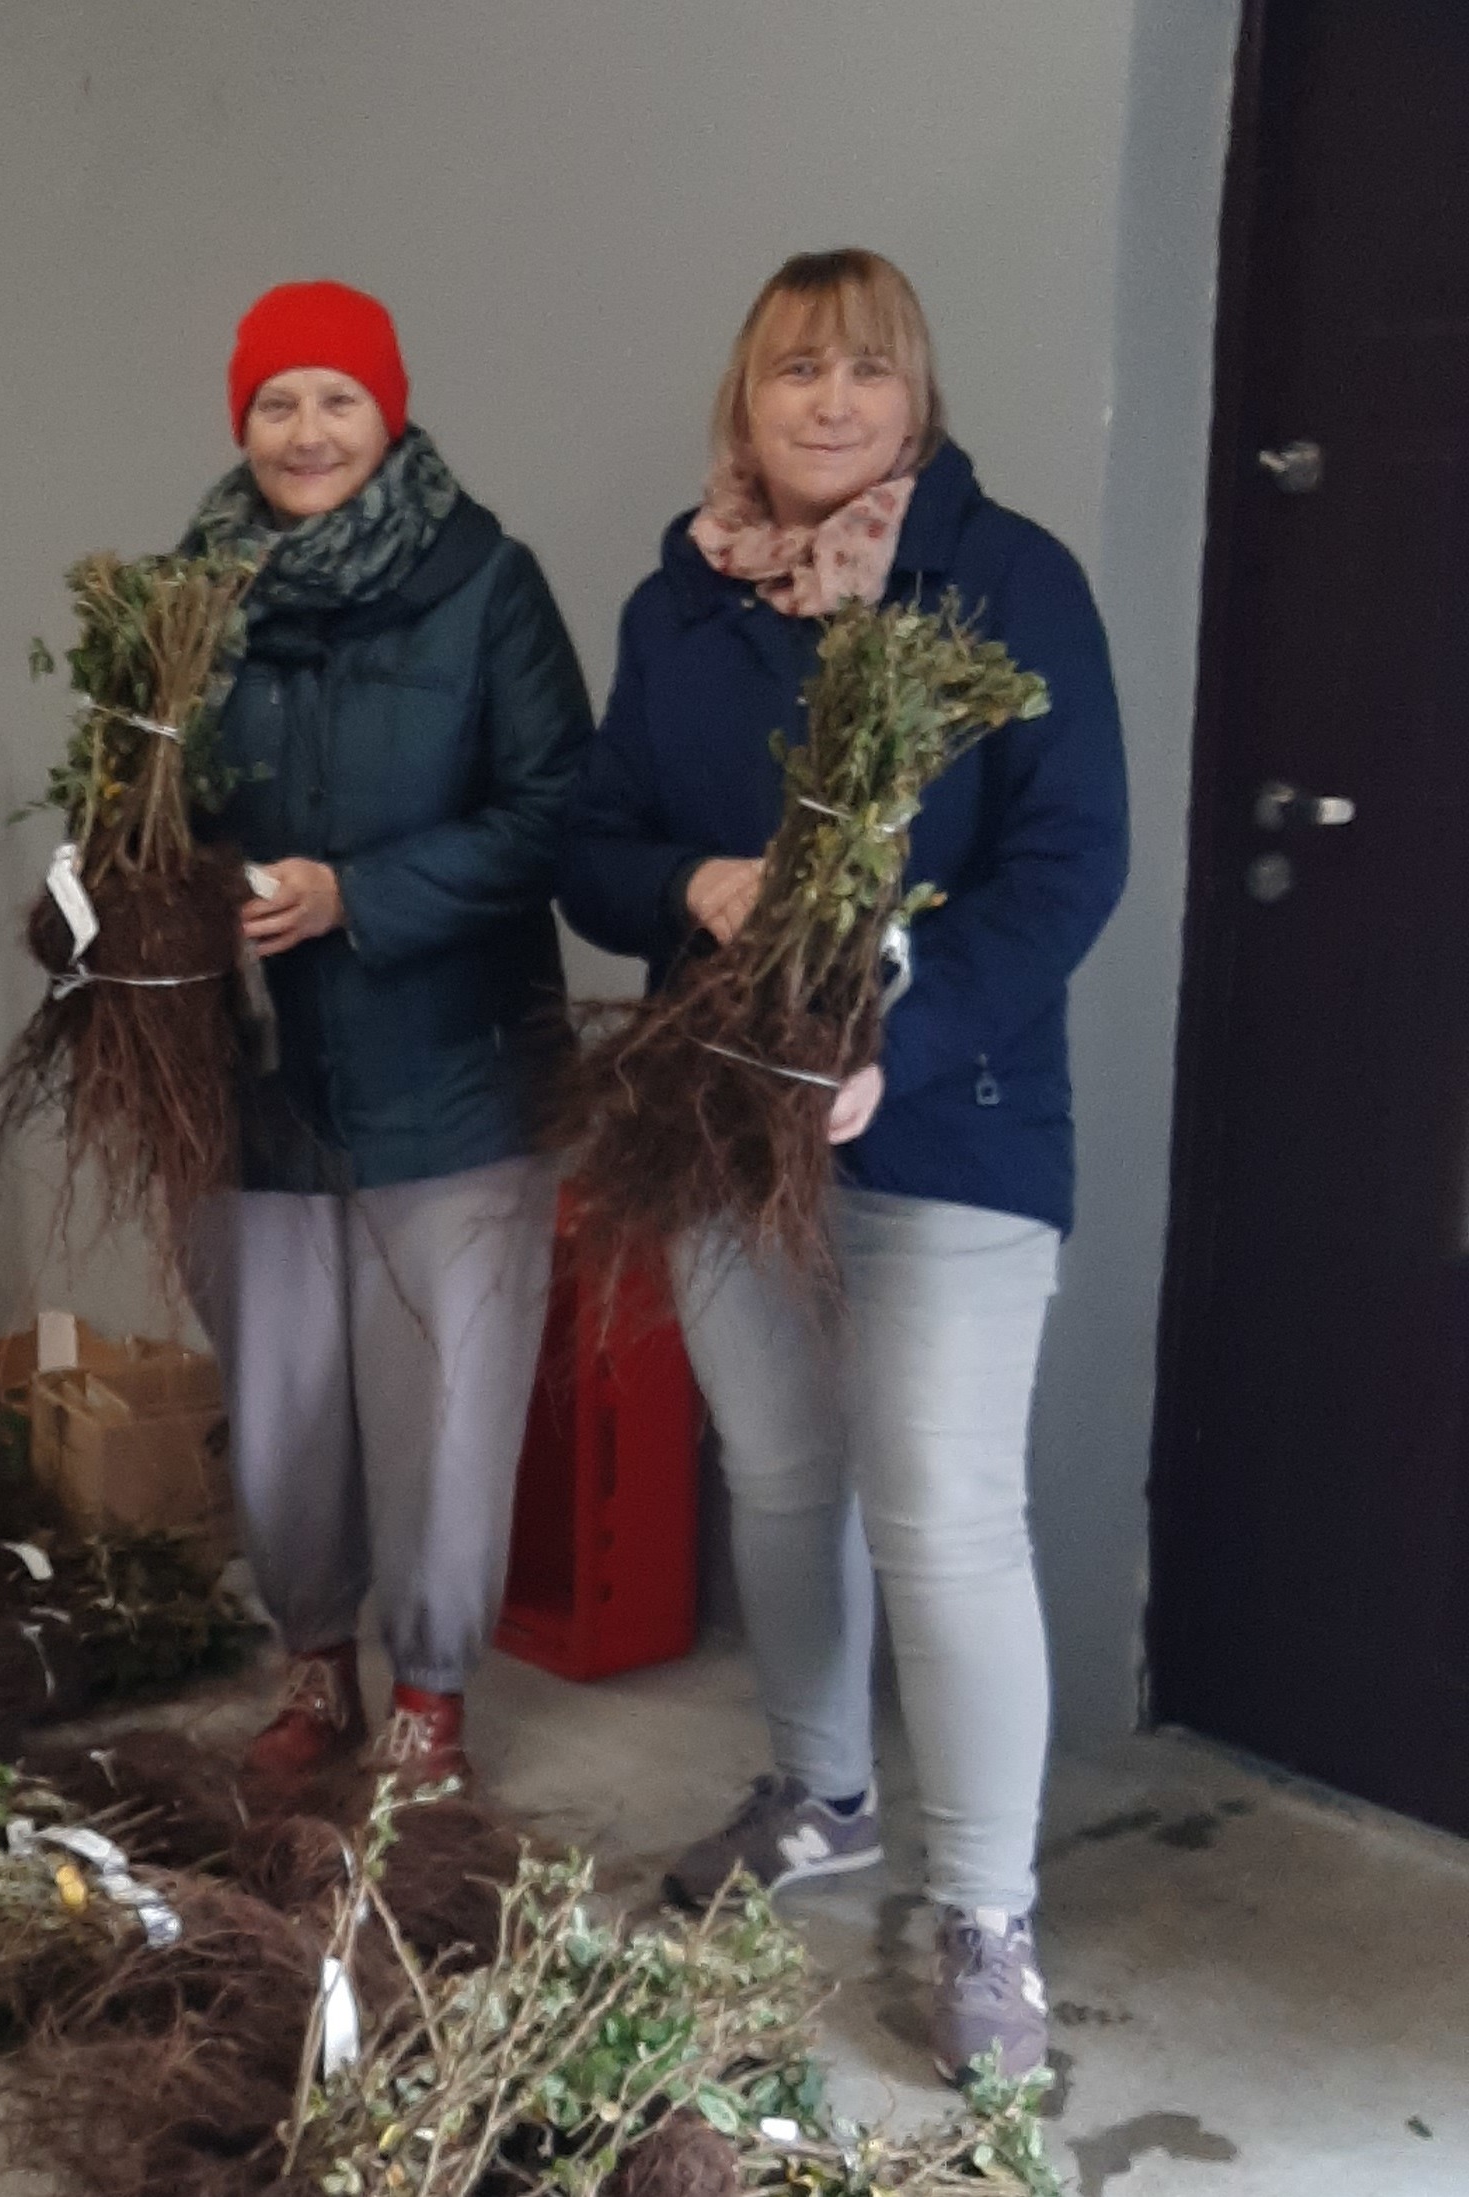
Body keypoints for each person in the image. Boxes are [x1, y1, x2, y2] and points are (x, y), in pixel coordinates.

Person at [557, 248, 1129, 2085]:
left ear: (915, 395)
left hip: (950, 1124)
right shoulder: (682, 604)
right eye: (793, 368)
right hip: (728, 1120)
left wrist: (914, 1032)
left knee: (944, 1512)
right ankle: (818, 1790)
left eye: (864, 369)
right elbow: (592, 834)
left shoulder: (1007, 579)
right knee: (784, 1473)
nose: (827, 400)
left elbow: (1069, 859)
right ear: (744, 401)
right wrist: (678, 886)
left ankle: (984, 1913)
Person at [178, 281, 593, 1788]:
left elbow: (558, 812)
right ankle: (311, 1676)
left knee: (442, 1409)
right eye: (274, 402)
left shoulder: (487, 583)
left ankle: (427, 1698)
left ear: (389, 411)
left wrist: (360, 894)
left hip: (451, 1073)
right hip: (251, 1078)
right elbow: (136, 795)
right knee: (281, 1401)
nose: (305, 431)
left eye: (335, 399)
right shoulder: (188, 593)